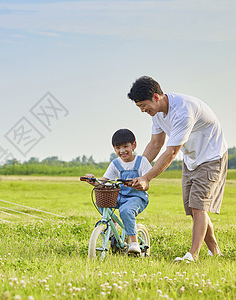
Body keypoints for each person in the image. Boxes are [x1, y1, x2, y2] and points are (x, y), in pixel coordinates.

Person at [127, 76, 227, 262]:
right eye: (139, 107)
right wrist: (136, 170)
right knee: (194, 208)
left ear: (156, 97)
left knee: (198, 207)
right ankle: (215, 252)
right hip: (191, 158)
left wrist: (147, 178)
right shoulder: (156, 114)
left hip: (211, 156)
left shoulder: (183, 111)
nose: (142, 110)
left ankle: (192, 256)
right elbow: (156, 144)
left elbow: (171, 152)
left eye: (143, 105)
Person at [84, 128, 152, 254]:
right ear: (114, 148)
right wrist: (92, 180)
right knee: (102, 202)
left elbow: (146, 185)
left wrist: (139, 183)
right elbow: (103, 182)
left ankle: (134, 242)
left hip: (137, 197)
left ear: (134, 145)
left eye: (125, 146)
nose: (122, 151)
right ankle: (112, 224)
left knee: (125, 211)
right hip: (120, 196)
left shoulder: (142, 162)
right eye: (118, 148)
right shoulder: (115, 163)